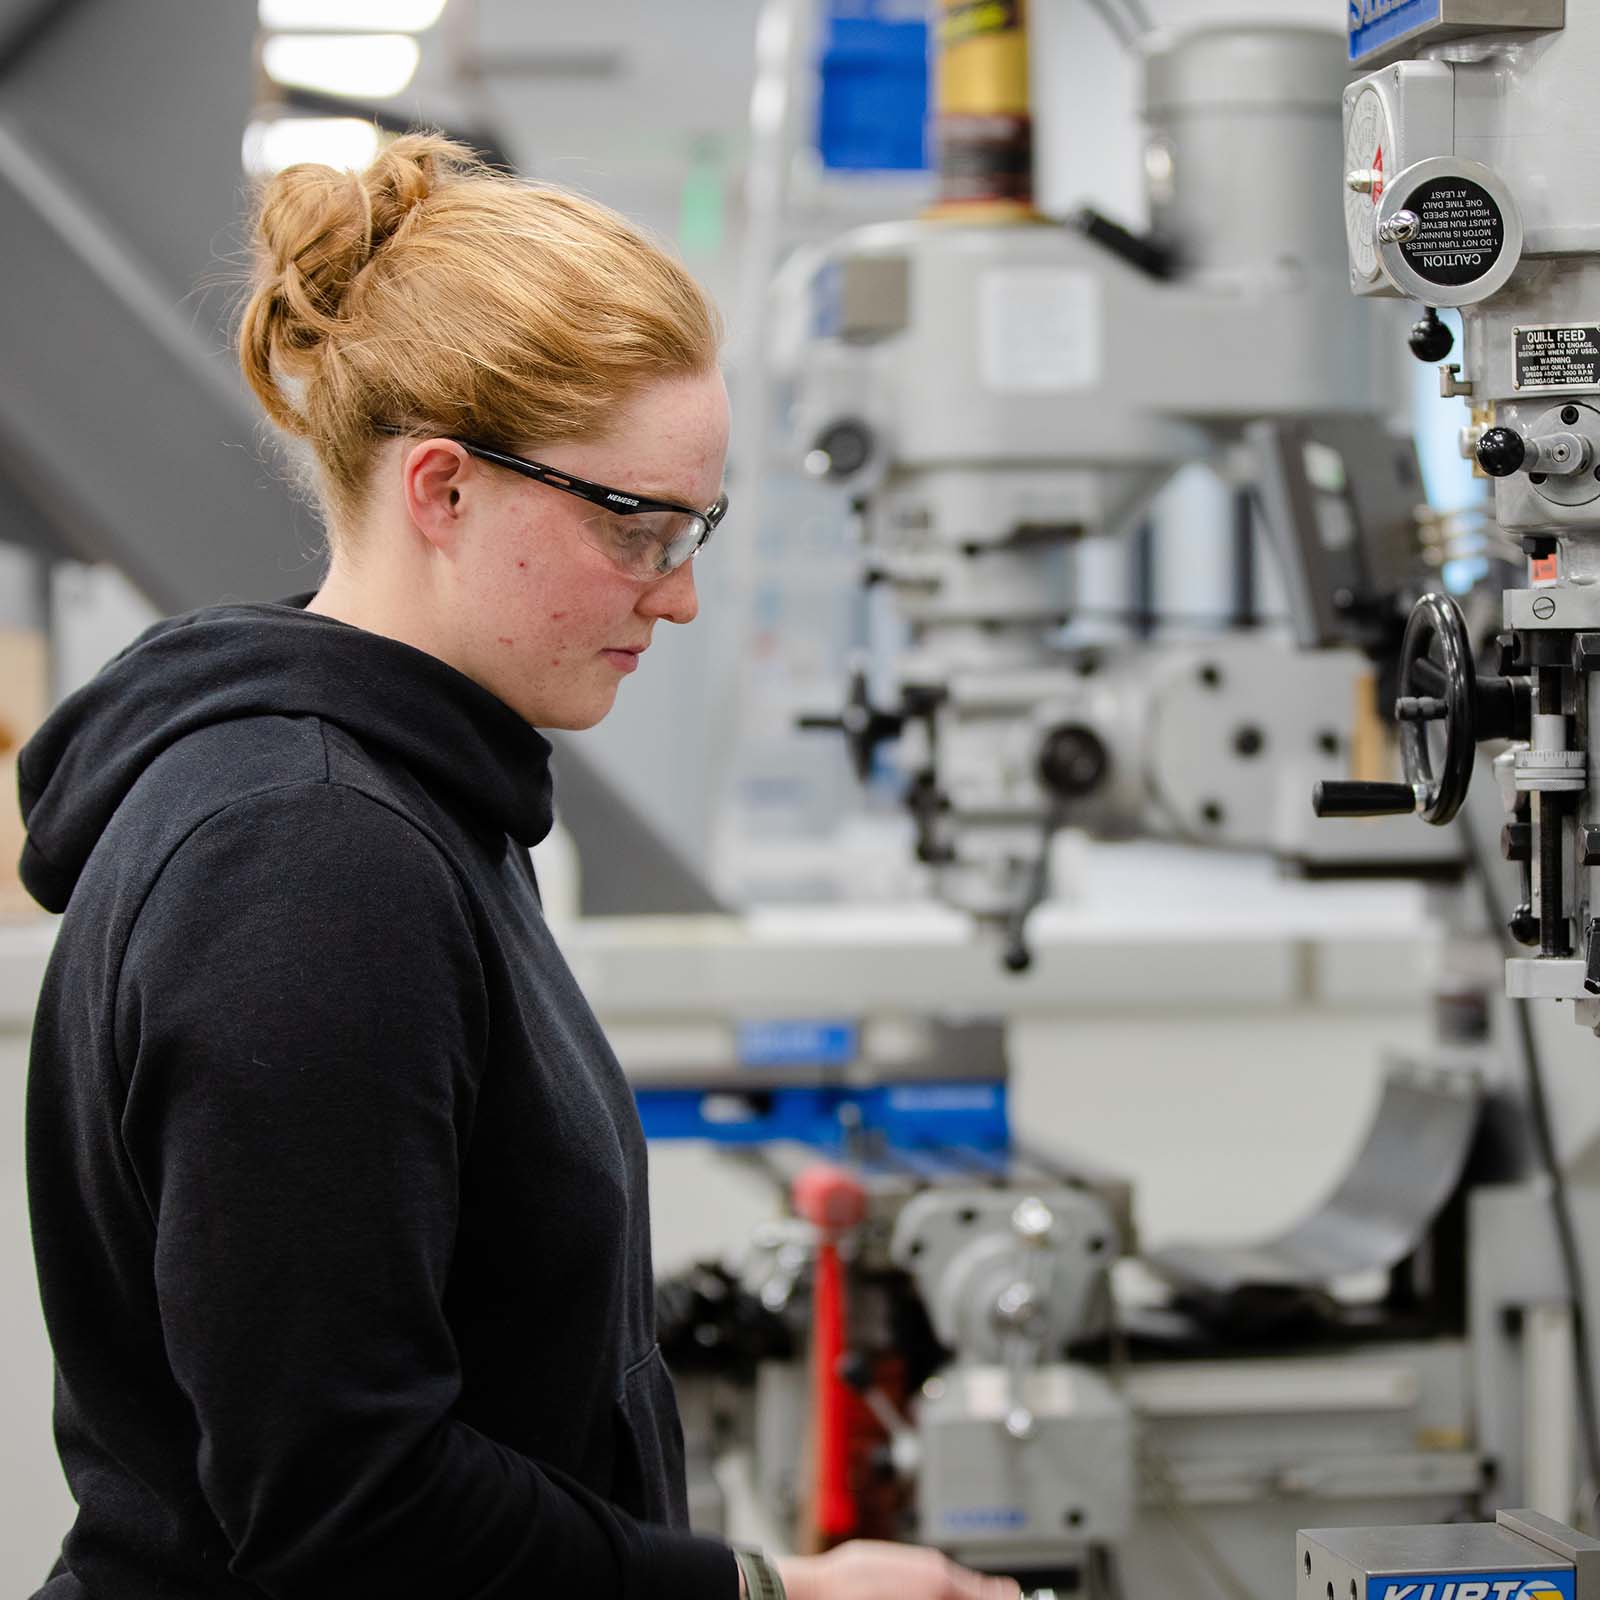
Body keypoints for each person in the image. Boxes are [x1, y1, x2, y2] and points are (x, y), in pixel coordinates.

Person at [16, 135, 1022, 1600]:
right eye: (636, 525)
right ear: (443, 489)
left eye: (696, 528)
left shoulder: (413, 804)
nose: (676, 594)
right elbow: (351, 1515)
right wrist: (772, 1594)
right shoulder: (305, 862)